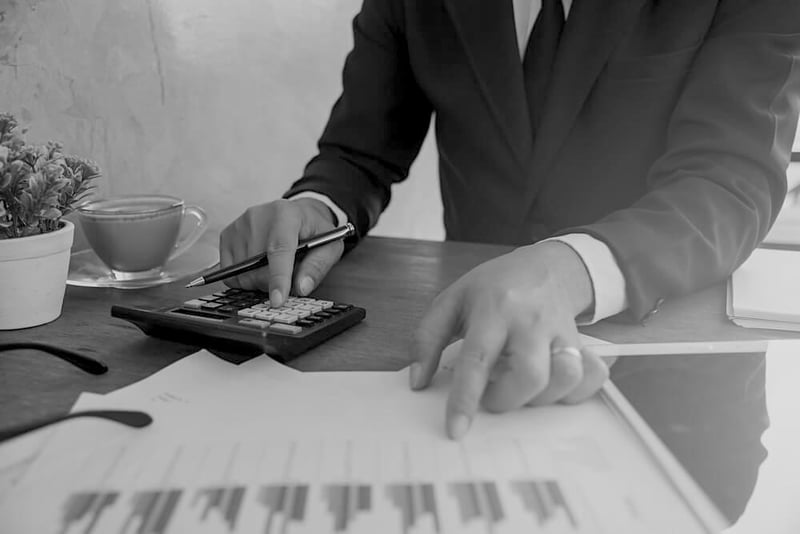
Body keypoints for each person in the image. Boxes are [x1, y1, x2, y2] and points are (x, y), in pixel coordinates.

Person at [221, 0, 799, 519]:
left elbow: (729, 181)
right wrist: (316, 208)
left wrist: (569, 268)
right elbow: (358, 151)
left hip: (674, 398)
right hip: (458, 381)